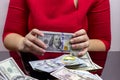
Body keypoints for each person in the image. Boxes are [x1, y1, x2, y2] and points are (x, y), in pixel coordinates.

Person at [2, 0, 111, 80]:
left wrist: (87, 44)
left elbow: (104, 42)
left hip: (76, 71)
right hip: (31, 70)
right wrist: (21, 42)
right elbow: (9, 36)